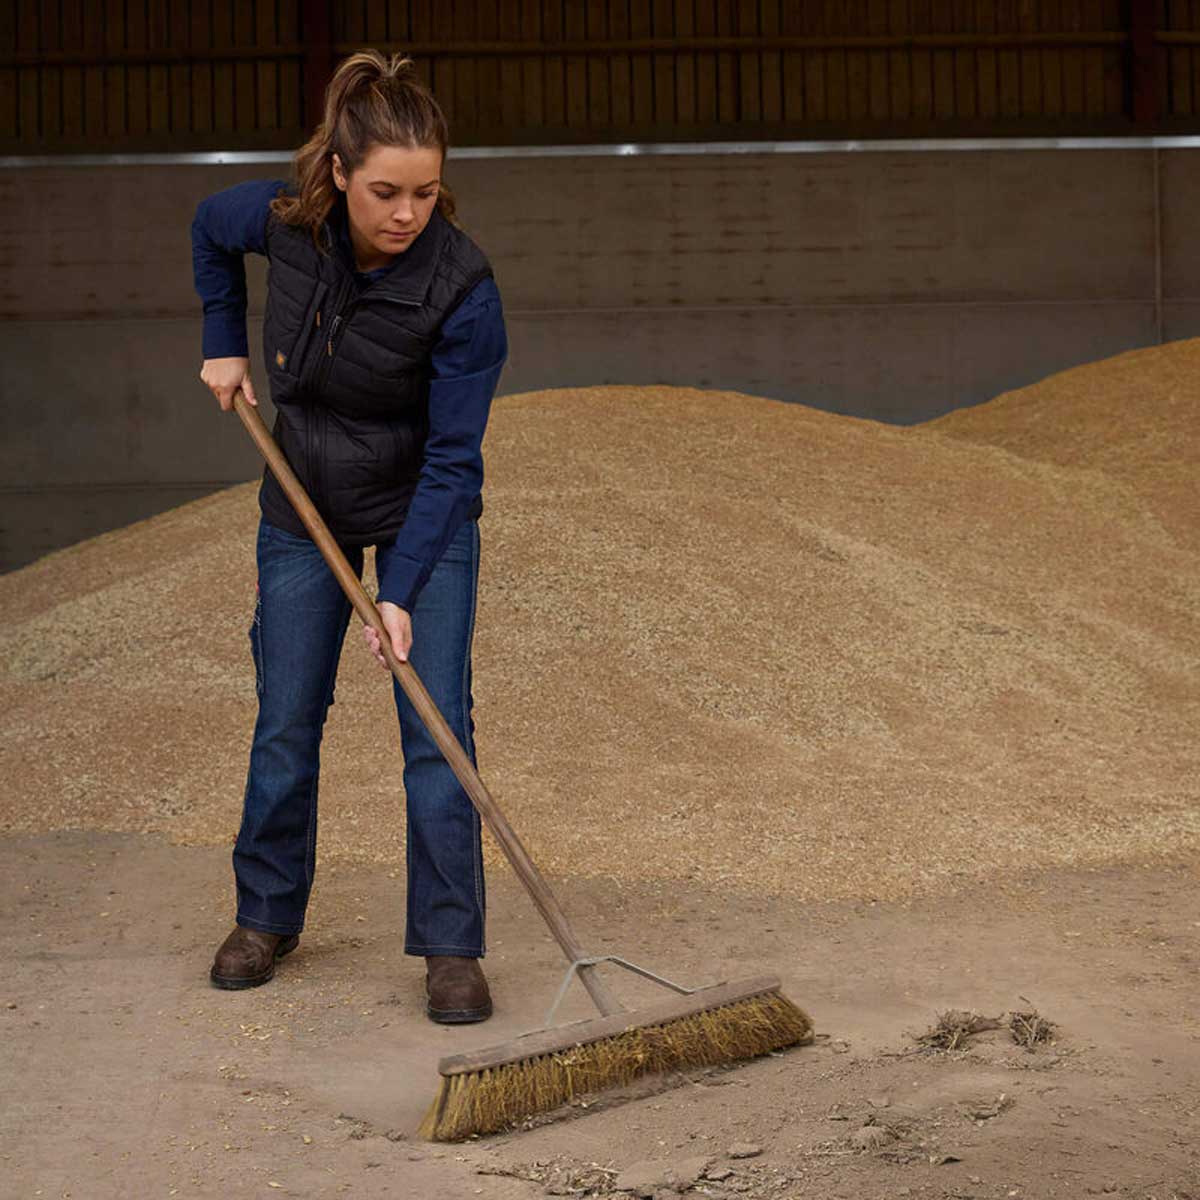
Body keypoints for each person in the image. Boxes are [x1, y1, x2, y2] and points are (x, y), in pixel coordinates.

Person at [190, 50, 506, 1024]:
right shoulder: (285, 222)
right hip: (304, 504)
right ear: (338, 173)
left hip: (422, 512)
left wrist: (400, 588)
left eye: (426, 193)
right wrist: (222, 340)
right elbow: (207, 227)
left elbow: (454, 461)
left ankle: (451, 946)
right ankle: (266, 915)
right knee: (287, 719)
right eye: (385, 192)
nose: (408, 214)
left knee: (436, 730)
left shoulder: (462, 288)